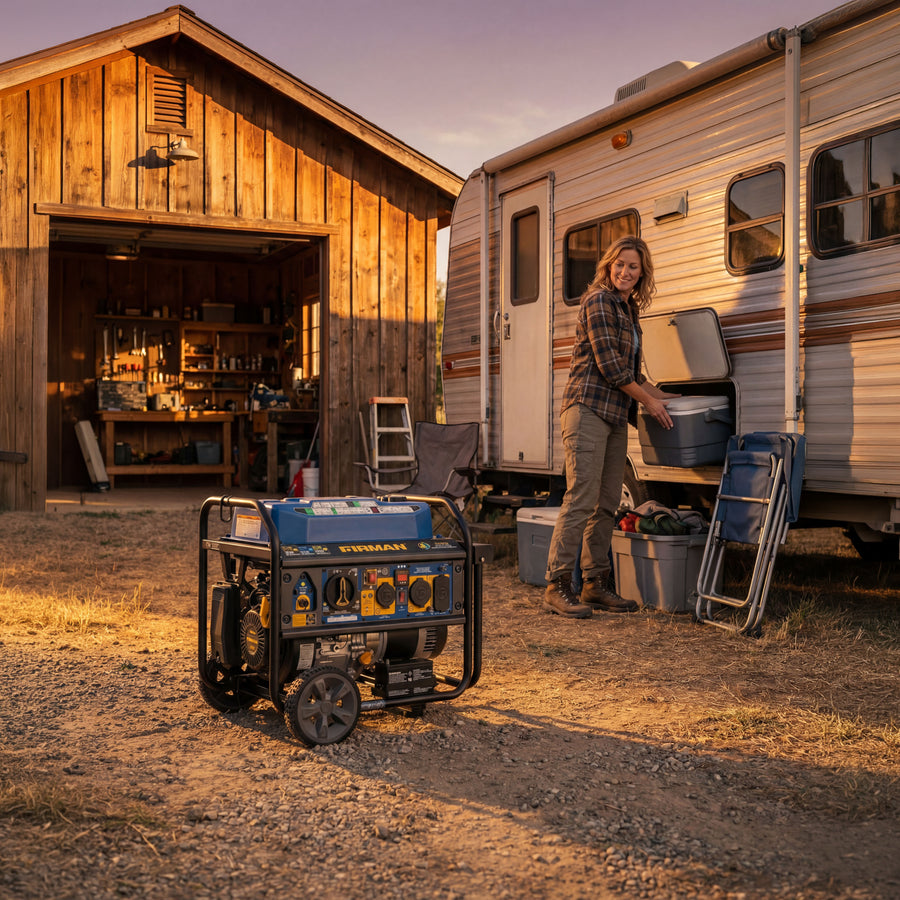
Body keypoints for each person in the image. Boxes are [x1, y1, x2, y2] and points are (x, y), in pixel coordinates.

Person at [543, 235, 678, 619]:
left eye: (633, 267)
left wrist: (673, 400)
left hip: (616, 413)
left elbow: (634, 375)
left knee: (607, 503)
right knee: (581, 497)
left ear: (642, 273)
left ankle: (594, 584)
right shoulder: (598, 300)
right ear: (608, 265)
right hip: (587, 408)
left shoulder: (628, 310)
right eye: (619, 264)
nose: (625, 271)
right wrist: (649, 401)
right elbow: (611, 368)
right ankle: (556, 585)